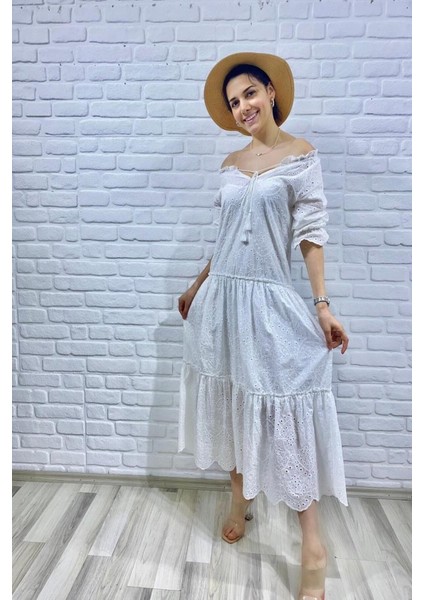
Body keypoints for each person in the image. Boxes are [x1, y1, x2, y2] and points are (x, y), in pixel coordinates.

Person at [177, 52, 349, 600]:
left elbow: (311, 235)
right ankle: (240, 498)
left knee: (282, 415)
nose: (243, 107)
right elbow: (226, 237)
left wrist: (322, 306)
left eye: (249, 93)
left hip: (268, 302)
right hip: (221, 301)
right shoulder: (230, 163)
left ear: (271, 92)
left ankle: (313, 548)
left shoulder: (301, 156)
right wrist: (197, 285)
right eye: (233, 102)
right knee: (233, 401)